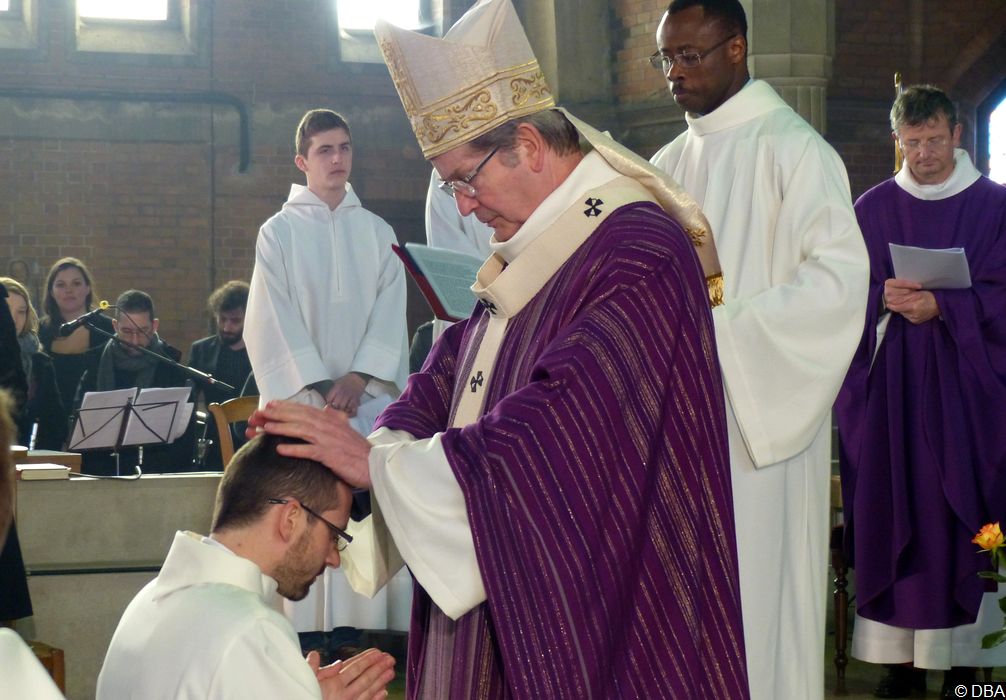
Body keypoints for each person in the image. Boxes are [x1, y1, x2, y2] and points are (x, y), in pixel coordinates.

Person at [251, 1, 749, 697]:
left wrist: (380, 465)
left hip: (602, 609)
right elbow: (456, 363)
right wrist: (363, 445)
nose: (460, 204)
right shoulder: (535, 246)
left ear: (530, 145)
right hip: (497, 594)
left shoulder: (638, 251)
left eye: (464, 178)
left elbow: (562, 425)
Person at [648, 1, 870, 698]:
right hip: (677, 425)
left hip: (759, 427)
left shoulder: (797, 150)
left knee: (757, 605)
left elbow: (837, 287)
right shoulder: (659, 166)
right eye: (666, 60)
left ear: (737, 49)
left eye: (690, 56)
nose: (675, 74)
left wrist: (718, 334)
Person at [835, 85, 1006, 698]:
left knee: (960, 515)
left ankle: (967, 673)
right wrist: (877, 297)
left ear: (957, 135)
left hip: (969, 400)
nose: (925, 154)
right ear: (896, 141)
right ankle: (897, 672)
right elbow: (838, 290)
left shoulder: (995, 207)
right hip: (895, 399)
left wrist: (949, 306)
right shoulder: (873, 209)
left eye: (935, 140)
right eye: (912, 143)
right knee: (898, 503)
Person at [245, 108, 411, 639]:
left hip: (367, 408)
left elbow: (392, 310)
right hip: (310, 406)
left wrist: (359, 379)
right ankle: (310, 635)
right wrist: (321, 385)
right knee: (308, 511)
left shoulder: (378, 231)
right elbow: (273, 317)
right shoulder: (278, 234)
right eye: (325, 150)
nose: (338, 158)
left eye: (344, 147)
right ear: (302, 160)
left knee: (373, 514)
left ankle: (379, 634)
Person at [95, 433, 396, 699]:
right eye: (333, 535)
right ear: (290, 519)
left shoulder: (147, 599)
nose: (333, 559)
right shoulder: (252, 630)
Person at [75, 289, 195, 474]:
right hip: (103, 471)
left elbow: (184, 440)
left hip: (156, 473)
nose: (134, 340)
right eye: (127, 331)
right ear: (114, 326)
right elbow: (79, 424)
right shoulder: (95, 364)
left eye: (142, 331)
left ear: (155, 326)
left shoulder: (172, 368)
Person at [38, 257, 115, 430]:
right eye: (60, 285)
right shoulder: (40, 331)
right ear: (51, 292)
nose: (69, 290)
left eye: (76, 283)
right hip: (50, 425)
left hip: (97, 423)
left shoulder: (108, 329)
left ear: (87, 288)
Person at [189, 280, 253, 468]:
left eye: (235, 321)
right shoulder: (201, 350)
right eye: (222, 319)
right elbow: (189, 397)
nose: (226, 327)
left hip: (251, 439)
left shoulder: (262, 353)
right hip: (214, 440)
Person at [1, 277, 66, 450]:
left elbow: (55, 423)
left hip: (26, 462)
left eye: (21, 311)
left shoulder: (40, 363)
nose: (13, 319)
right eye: (6, 310)